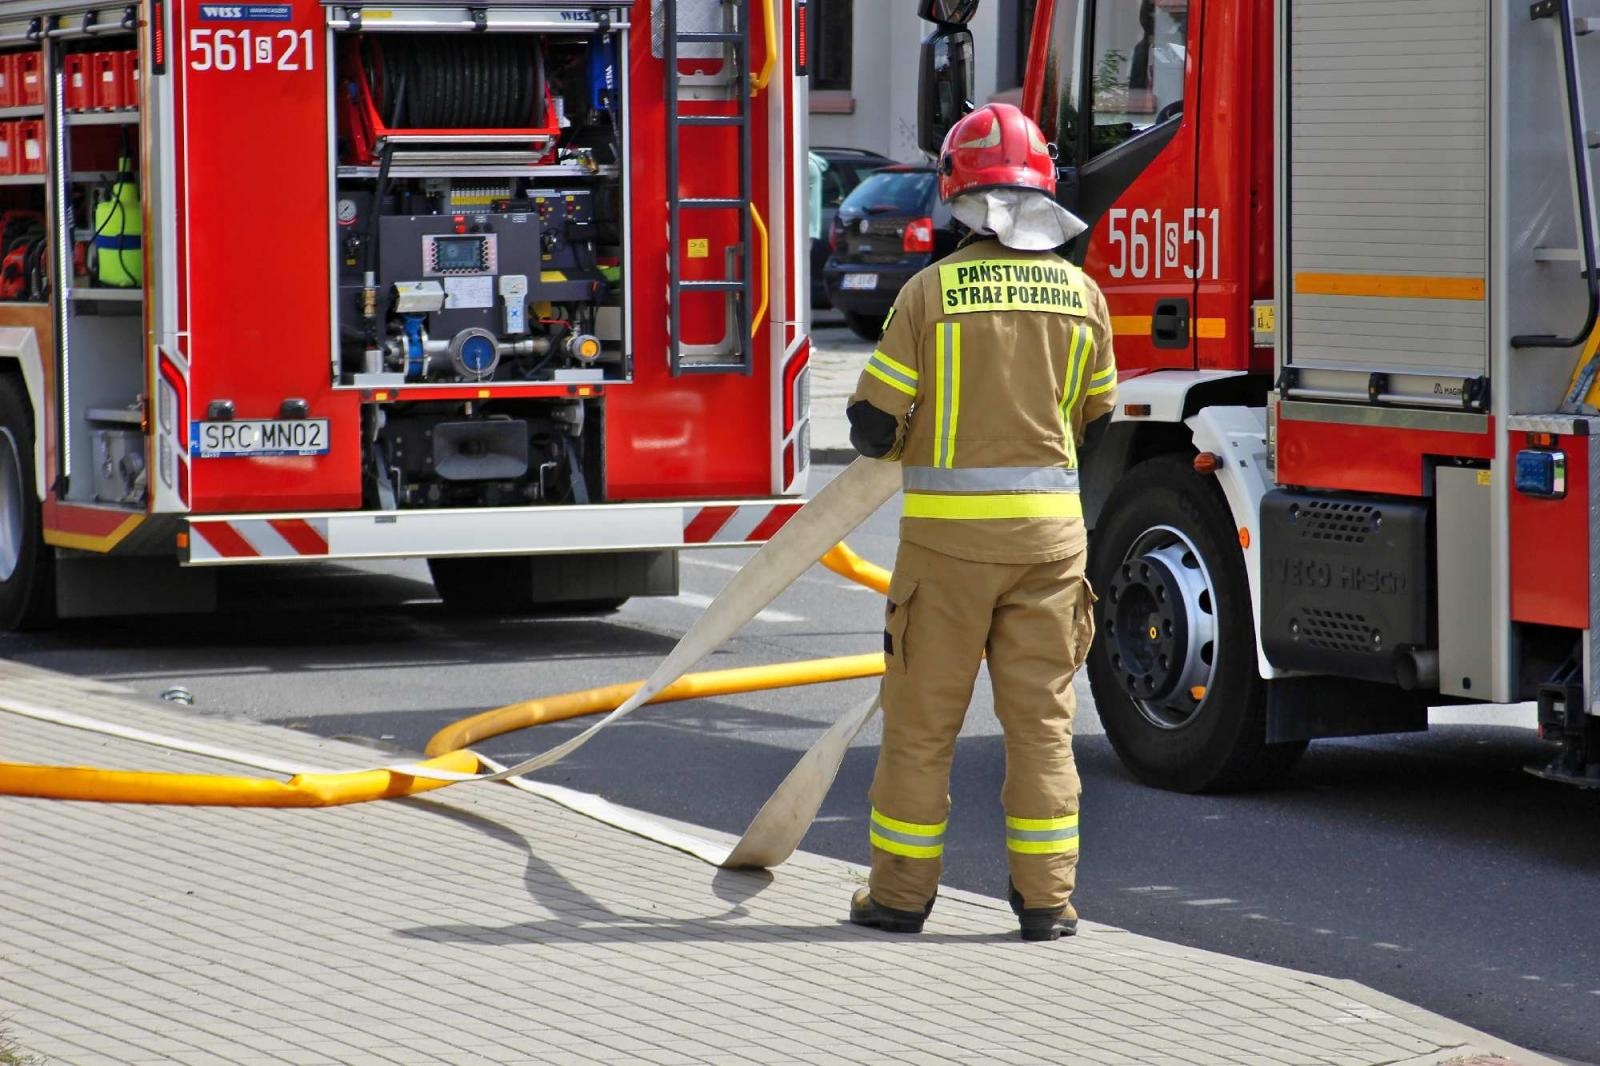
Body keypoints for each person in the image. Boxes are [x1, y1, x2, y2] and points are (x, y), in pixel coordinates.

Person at [844, 102, 1117, 942]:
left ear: (959, 195)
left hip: (948, 552)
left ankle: (900, 897)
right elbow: (1096, 420)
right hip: (1052, 547)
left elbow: (873, 427)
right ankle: (1048, 904)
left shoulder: (929, 293)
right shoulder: (1082, 294)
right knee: (1041, 727)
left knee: (924, 726)